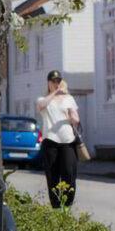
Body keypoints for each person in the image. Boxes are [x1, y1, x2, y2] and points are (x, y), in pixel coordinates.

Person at [36, 70, 81, 208]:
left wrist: (71, 117)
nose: (56, 84)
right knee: (53, 177)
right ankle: (56, 207)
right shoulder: (42, 99)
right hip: (50, 142)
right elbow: (41, 106)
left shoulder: (69, 99)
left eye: (58, 81)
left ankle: (67, 206)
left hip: (68, 142)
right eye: (53, 81)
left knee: (69, 174)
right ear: (48, 83)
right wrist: (55, 93)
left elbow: (76, 119)